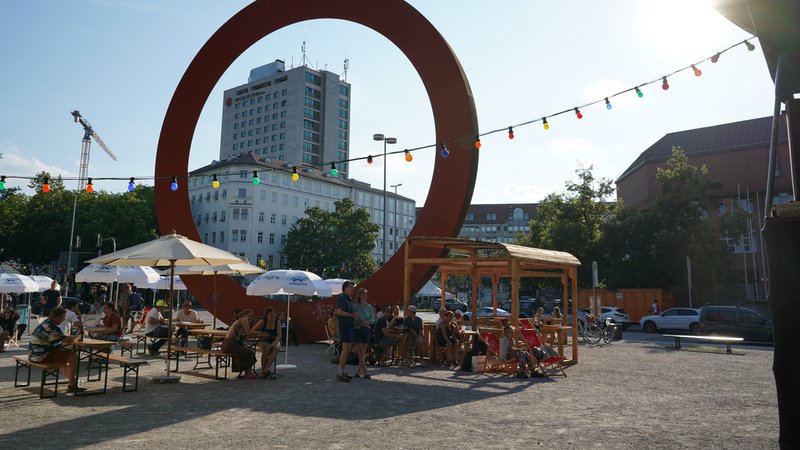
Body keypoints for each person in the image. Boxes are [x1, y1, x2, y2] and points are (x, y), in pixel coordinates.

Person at [28, 307, 85, 393]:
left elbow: (56, 341)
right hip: (41, 356)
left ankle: (72, 382)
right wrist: (79, 334)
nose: (64, 319)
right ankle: (72, 385)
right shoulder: (52, 327)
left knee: (64, 357)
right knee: (73, 356)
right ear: (56, 317)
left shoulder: (45, 323)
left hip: (33, 354)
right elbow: (68, 340)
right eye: (63, 317)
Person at [221, 309, 258, 379]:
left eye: (252, 316)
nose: (250, 317)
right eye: (249, 316)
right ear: (244, 315)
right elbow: (248, 333)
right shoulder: (244, 320)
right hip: (230, 344)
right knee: (250, 352)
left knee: (246, 352)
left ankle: (247, 373)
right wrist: (258, 332)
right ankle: (248, 374)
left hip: (226, 344)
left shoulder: (239, 320)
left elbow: (244, 333)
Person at [334, 280, 357, 382]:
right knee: (345, 349)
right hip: (345, 326)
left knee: (347, 350)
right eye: (351, 287)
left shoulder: (349, 299)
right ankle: (339, 373)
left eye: (353, 287)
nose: (353, 289)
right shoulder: (342, 297)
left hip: (349, 326)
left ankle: (342, 371)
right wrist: (351, 315)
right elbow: (339, 311)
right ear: (345, 288)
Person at [352, 287, 375, 379]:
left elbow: (373, 319)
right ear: (359, 295)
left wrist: (368, 322)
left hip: (366, 330)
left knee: (363, 352)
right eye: (363, 294)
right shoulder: (355, 307)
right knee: (361, 351)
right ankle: (365, 372)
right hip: (358, 330)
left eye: (366, 294)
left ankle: (357, 372)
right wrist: (362, 322)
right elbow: (353, 319)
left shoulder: (369, 307)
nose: (365, 296)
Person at [252, 307, 281, 378]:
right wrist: (262, 333)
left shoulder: (277, 322)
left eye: (274, 314)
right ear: (266, 315)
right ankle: (264, 370)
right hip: (263, 340)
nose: (273, 316)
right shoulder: (263, 321)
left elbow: (279, 336)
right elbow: (252, 330)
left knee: (276, 348)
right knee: (266, 349)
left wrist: (273, 343)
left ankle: (266, 368)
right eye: (271, 314)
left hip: (274, 340)